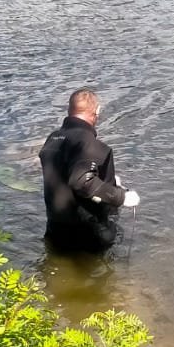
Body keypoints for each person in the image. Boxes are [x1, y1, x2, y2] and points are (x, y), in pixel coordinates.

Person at [38, 89, 140, 253]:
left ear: (69, 110)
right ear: (97, 111)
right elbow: (82, 181)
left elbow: (66, 174)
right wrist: (122, 197)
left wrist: (111, 183)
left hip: (55, 231)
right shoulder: (91, 145)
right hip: (87, 238)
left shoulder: (53, 139)